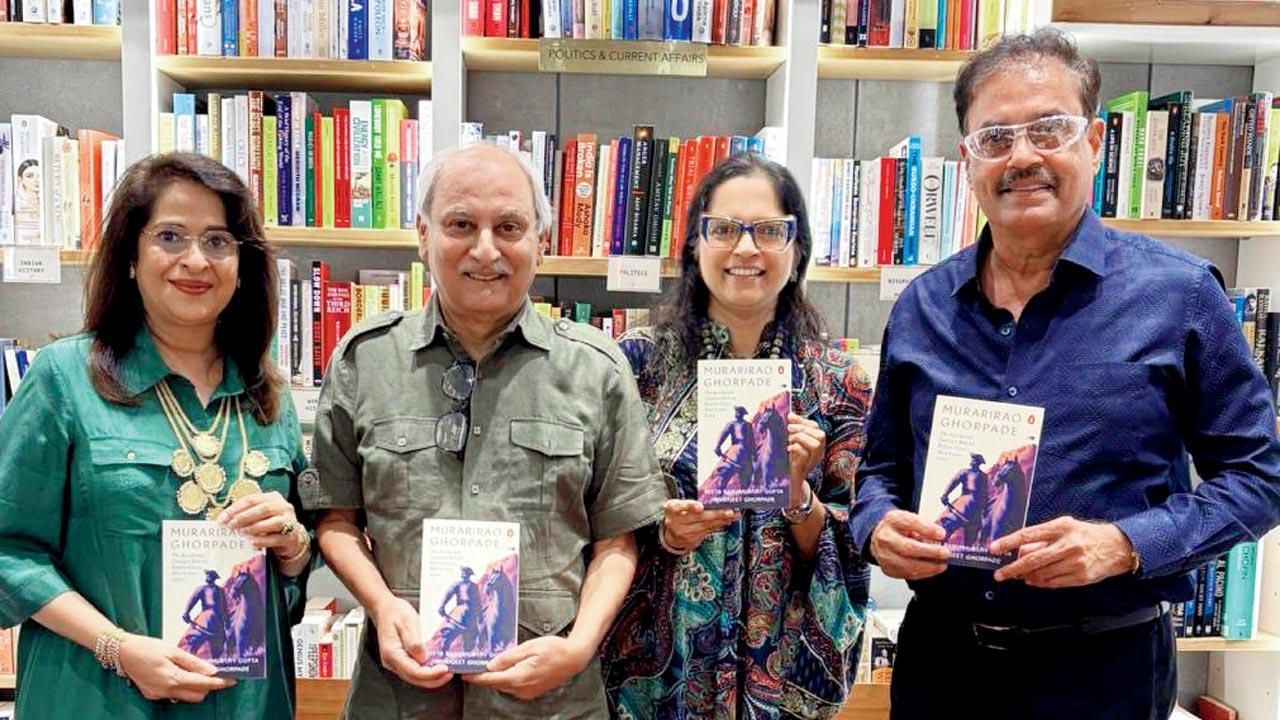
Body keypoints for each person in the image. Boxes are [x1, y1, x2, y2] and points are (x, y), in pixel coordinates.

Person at [848, 29, 1280, 720]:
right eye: (995, 137)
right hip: (940, 671)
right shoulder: (924, 306)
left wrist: (1126, 544)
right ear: (967, 159)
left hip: (1103, 676)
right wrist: (876, 526)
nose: (1022, 156)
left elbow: (1260, 479)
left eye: (1049, 129)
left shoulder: (1181, 296)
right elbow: (881, 469)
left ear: (1096, 142)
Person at [303, 142, 668, 719]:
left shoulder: (596, 370)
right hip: (399, 700)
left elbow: (617, 539)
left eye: (509, 227)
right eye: (460, 224)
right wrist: (379, 605)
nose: (485, 249)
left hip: (552, 704)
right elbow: (335, 519)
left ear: (540, 244)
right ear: (423, 236)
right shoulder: (363, 361)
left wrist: (578, 648)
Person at [0, 152, 312, 718]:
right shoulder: (64, 379)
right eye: (171, 236)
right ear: (129, 255)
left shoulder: (268, 394)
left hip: (243, 701)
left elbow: (285, 584)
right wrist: (116, 648)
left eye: (218, 241)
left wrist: (292, 549)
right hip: (98, 696)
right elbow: (7, 548)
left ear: (241, 264)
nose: (196, 260)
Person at [602, 153, 873, 719]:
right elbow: (593, 517)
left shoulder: (839, 383)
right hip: (659, 677)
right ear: (695, 245)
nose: (746, 249)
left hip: (780, 675)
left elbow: (855, 547)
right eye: (723, 229)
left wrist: (801, 498)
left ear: (796, 250)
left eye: (770, 231)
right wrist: (664, 531)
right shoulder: (637, 367)